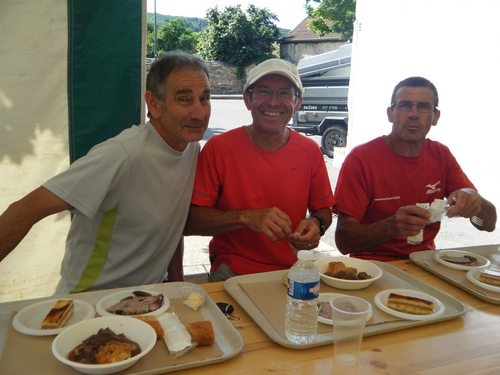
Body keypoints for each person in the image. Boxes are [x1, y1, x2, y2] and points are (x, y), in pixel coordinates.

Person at [0, 50, 211, 293]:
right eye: (184, 99)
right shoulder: (122, 154)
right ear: (154, 103)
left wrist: (177, 284)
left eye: (204, 99)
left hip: (146, 299)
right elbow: (25, 209)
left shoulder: (190, 146)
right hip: (89, 301)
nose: (199, 114)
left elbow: (172, 225)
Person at [185, 59, 334, 282]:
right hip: (233, 268)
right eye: (263, 92)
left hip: (292, 270)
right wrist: (246, 217)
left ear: (298, 103)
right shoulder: (219, 148)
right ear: (247, 99)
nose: (273, 102)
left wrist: (317, 225)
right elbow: (189, 222)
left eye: (284, 93)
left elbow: (324, 210)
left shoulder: (309, 151)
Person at [332, 76, 497, 261]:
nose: (413, 114)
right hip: (374, 267)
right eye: (404, 105)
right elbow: (343, 242)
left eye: (424, 107)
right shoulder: (361, 159)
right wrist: (390, 226)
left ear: (435, 117)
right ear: (390, 114)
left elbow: (489, 224)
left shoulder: (441, 155)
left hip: (426, 262)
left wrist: (476, 201)